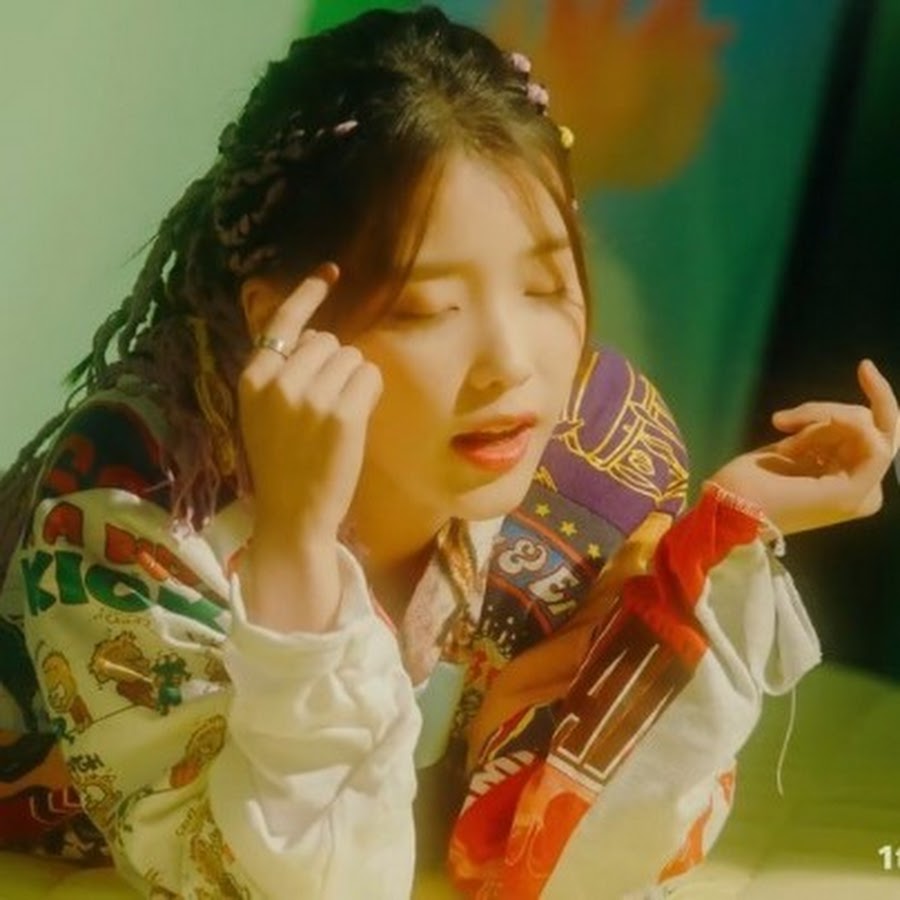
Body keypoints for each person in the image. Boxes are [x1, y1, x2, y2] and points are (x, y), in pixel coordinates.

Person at [0, 6, 897, 899]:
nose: (512, 363)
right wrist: (297, 551)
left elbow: (576, 855)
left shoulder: (598, 459)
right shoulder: (137, 504)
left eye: (545, 285)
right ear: (286, 322)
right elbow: (288, 888)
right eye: (427, 309)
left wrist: (719, 545)